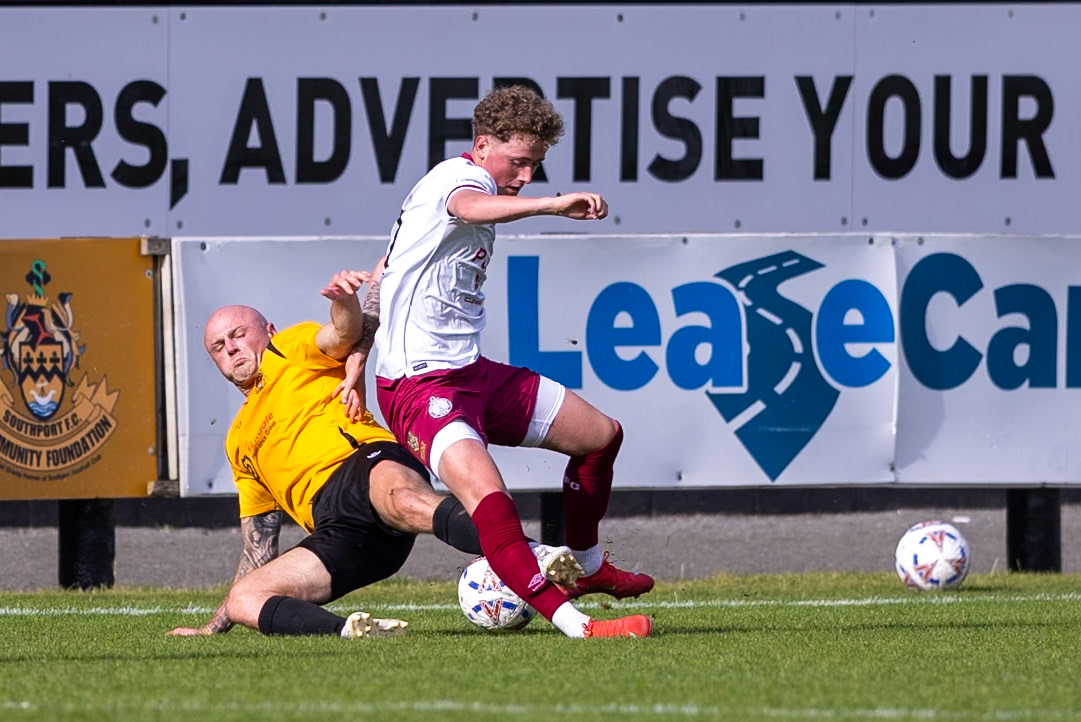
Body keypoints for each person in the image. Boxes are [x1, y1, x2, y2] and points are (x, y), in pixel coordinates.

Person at [368, 85, 655, 639]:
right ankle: (578, 626)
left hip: (469, 373)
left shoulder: (449, 192)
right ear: (482, 146)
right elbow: (470, 206)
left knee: (600, 436)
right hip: (417, 388)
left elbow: (386, 268)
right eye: (517, 162)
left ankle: (587, 567)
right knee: (492, 501)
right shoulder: (458, 180)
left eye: (535, 166)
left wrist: (358, 352)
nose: (525, 176)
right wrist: (552, 204)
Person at [168, 269, 578, 639]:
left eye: (239, 334)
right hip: (339, 532)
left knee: (405, 501)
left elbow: (342, 334)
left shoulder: (286, 349)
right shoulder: (238, 440)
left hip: (363, 467)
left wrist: (343, 301)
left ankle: (534, 555)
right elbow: (258, 545)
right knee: (244, 599)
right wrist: (214, 626)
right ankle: (352, 632)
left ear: (268, 330)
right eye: (218, 346)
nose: (231, 348)